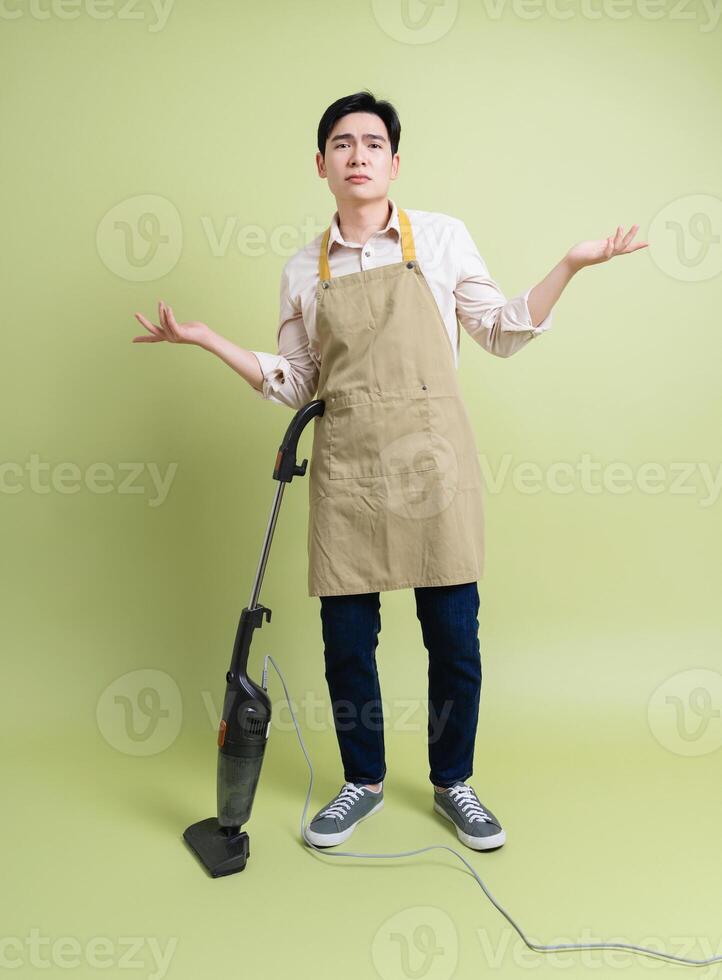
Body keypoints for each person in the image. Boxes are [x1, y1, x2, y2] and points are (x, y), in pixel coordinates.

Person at [132, 90, 648, 852]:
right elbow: (298, 383)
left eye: (373, 143)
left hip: (435, 467)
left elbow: (500, 333)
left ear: (394, 162)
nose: (358, 155)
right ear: (321, 165)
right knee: (346, 642)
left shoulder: (439, 240)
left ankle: (454, 783)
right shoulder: (301, 271)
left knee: (454, 639)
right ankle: (362, 781)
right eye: (342, 144)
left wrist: (570, 265)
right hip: (347, 472)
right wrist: (211, 340)